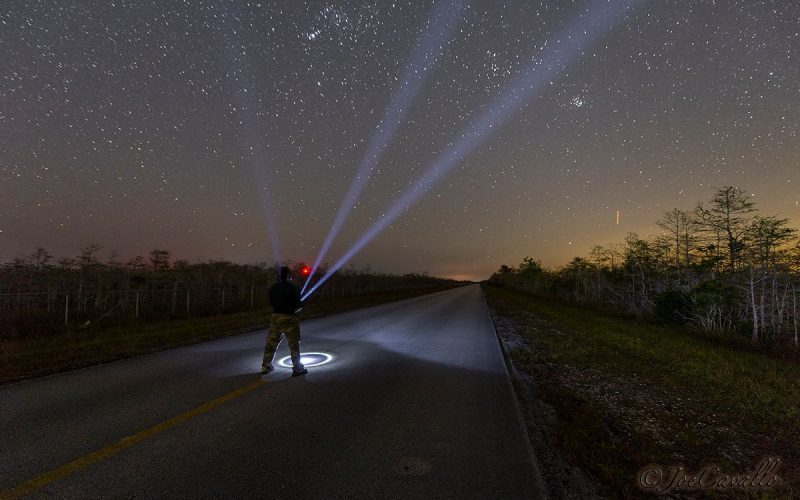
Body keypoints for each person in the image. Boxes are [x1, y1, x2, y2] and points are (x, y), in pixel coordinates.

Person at [261, 266, 308, 376]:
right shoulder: (294, 287)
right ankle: (297, 368)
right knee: (294, 344)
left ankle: (265, 366)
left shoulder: (274, 287)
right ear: (289, 276)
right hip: (290, 317)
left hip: (276, 317)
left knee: (271, 342)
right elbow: (298, 303)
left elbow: (271, 303)